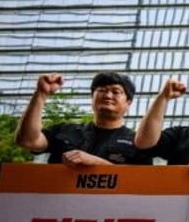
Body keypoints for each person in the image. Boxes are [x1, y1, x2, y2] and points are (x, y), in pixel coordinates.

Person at [14, 71, 150, 166]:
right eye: (102, 90)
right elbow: (28, 140)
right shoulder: (64, 130)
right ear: (92, 98)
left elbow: (141, 181)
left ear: (129, 103)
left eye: (116, 92)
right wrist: (41, 94)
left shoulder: (138, 142)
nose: (108, 95)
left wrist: (96, 163)